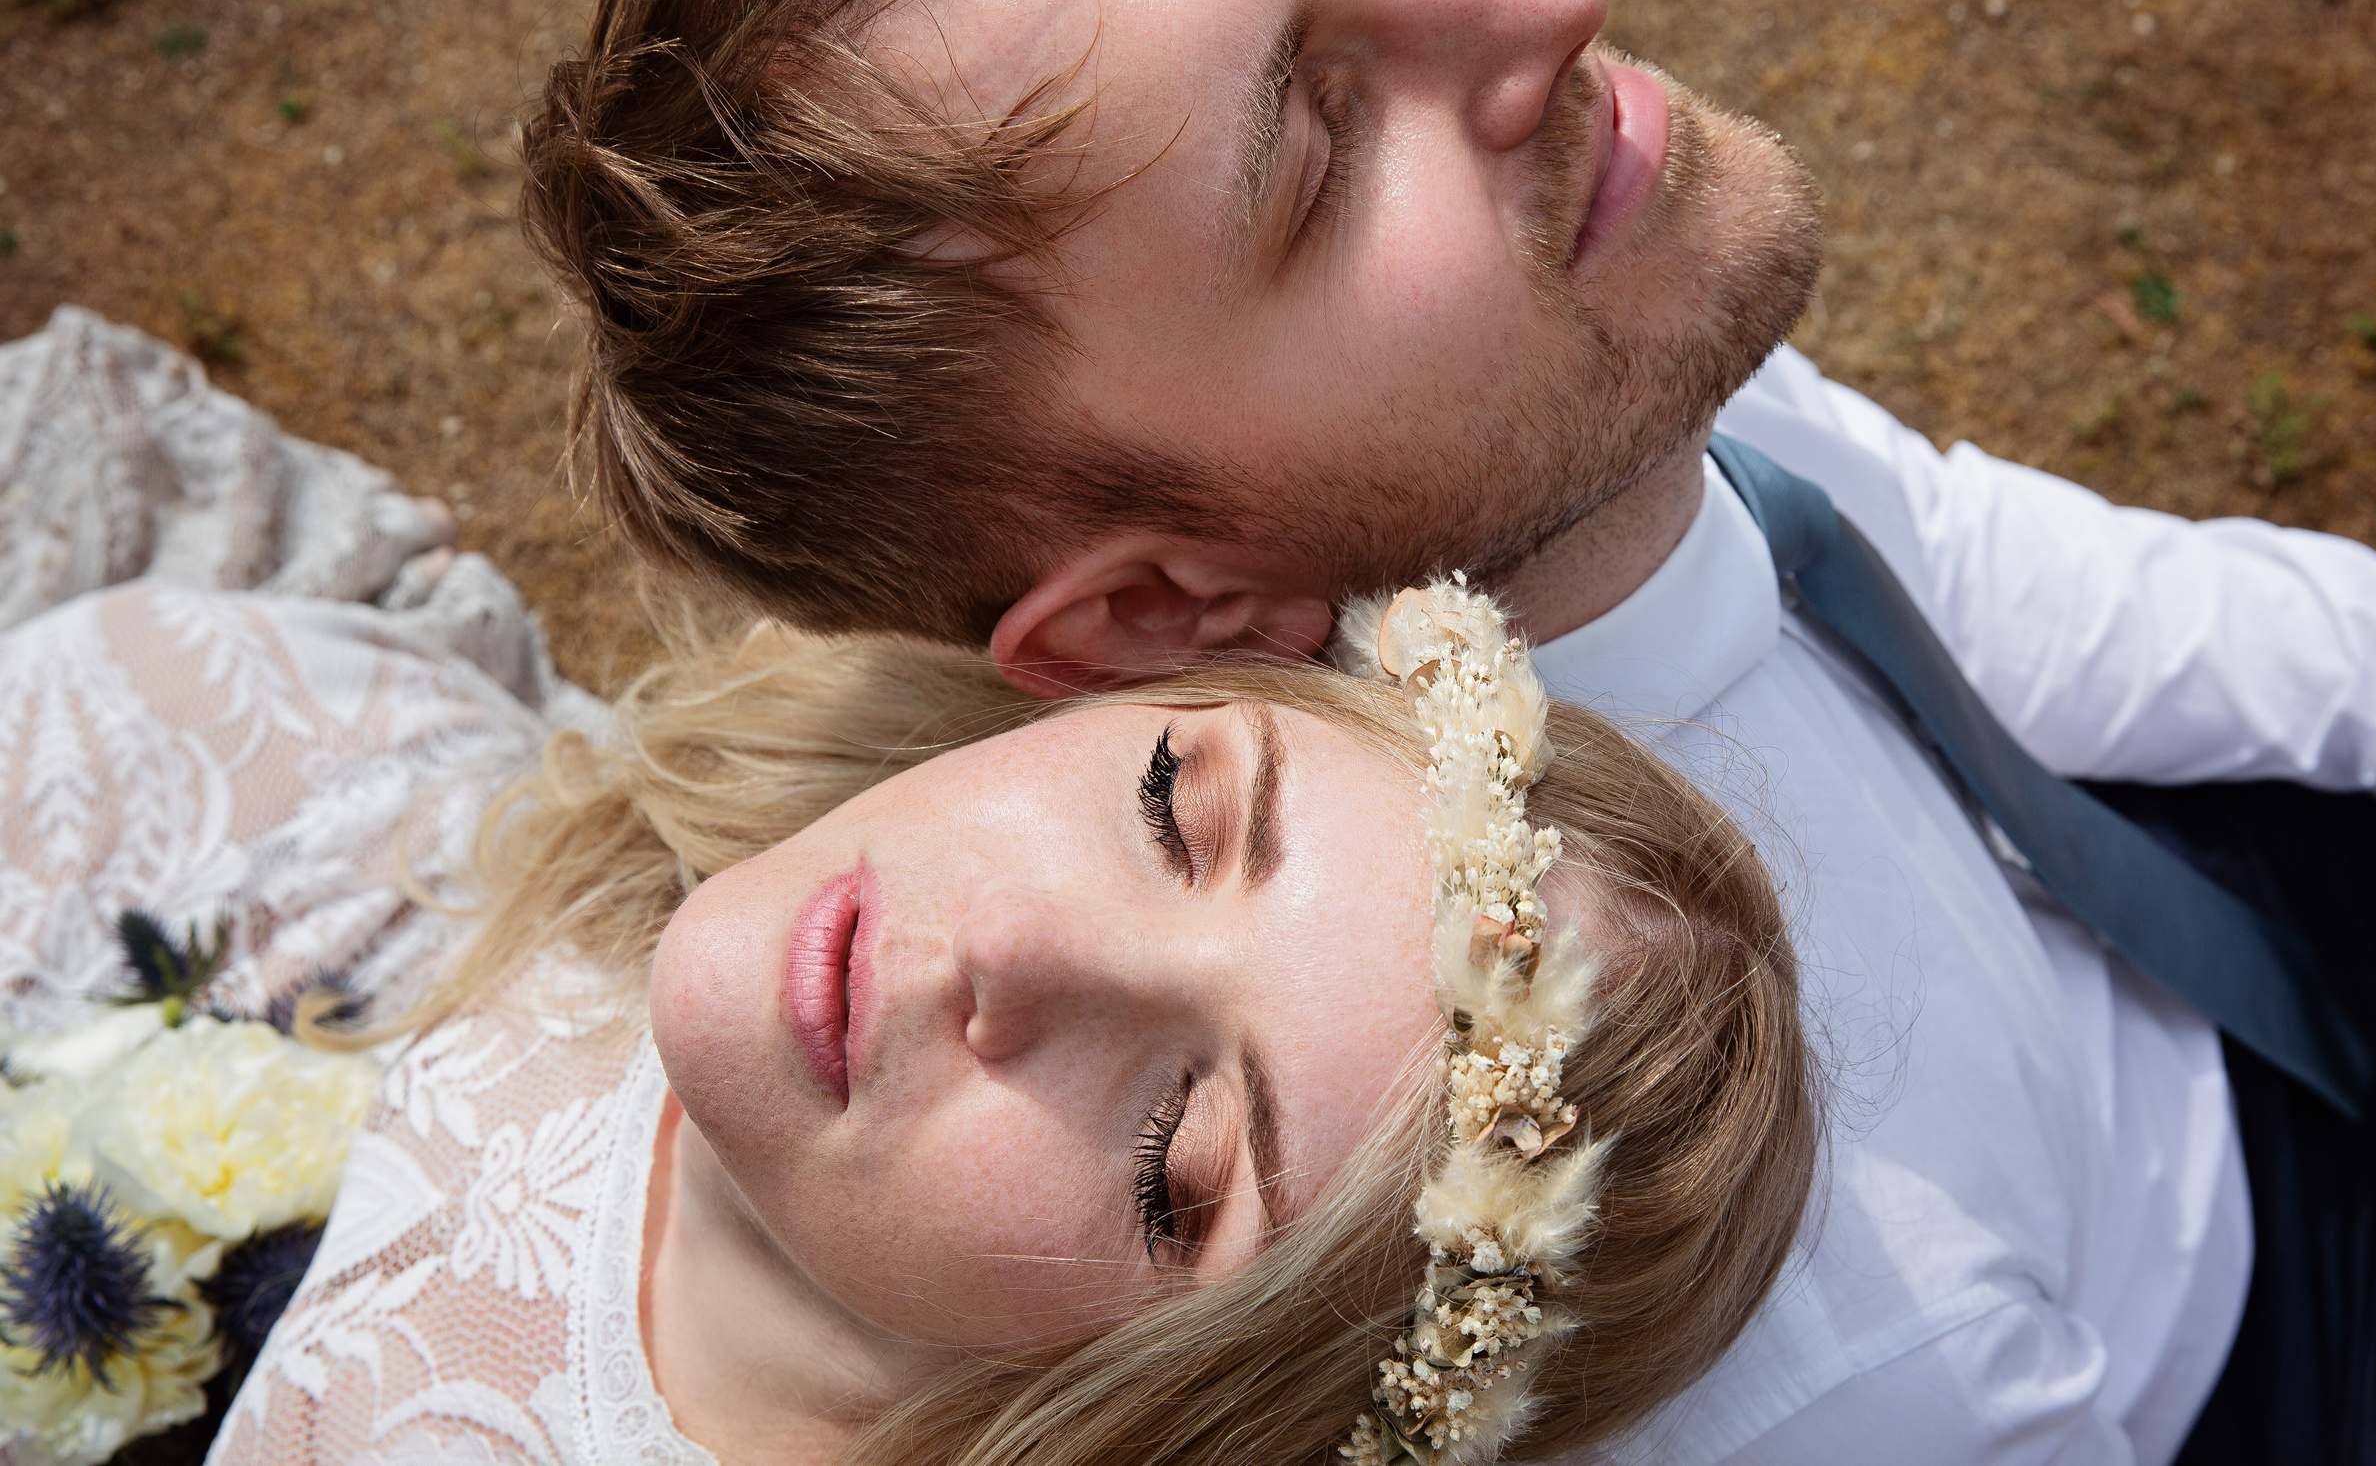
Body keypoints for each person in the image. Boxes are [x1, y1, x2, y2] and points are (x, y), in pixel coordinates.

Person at [519, 0, 2376, 1461]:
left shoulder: (1567, 364)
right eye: (1317, 151)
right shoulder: (1745, 1330)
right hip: (2256, 1368)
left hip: (2174, 907)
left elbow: (1983, 572)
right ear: (1175, 603)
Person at [0, 312, 1814, 1466]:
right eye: (1175, 803)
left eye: (1173, 1161)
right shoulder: (356, 797)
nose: (1008, 948)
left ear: (1179, 1413)